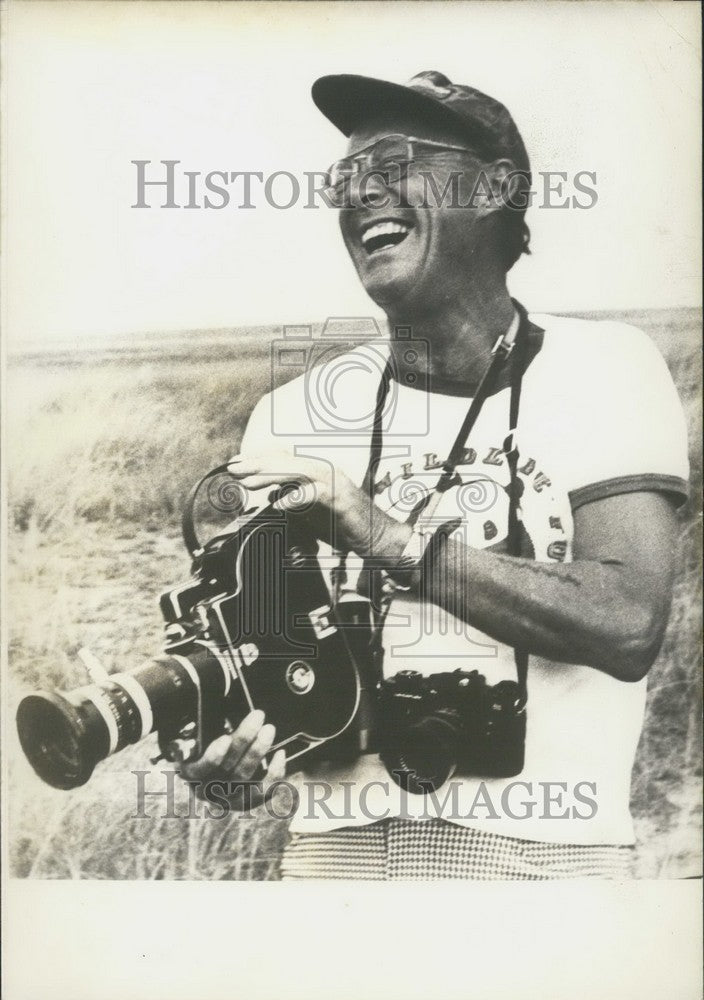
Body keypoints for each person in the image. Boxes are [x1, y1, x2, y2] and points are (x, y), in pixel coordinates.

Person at [180, 71, 689, 879]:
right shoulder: (290, 418)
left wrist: (384, 537)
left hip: (547, 862)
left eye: (394, 161)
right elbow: (266, 682)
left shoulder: (605, 368)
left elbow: (627, 622)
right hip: (335, 865)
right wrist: (227, 768)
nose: (361, 192)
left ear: (494, 188)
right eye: (343, 178)